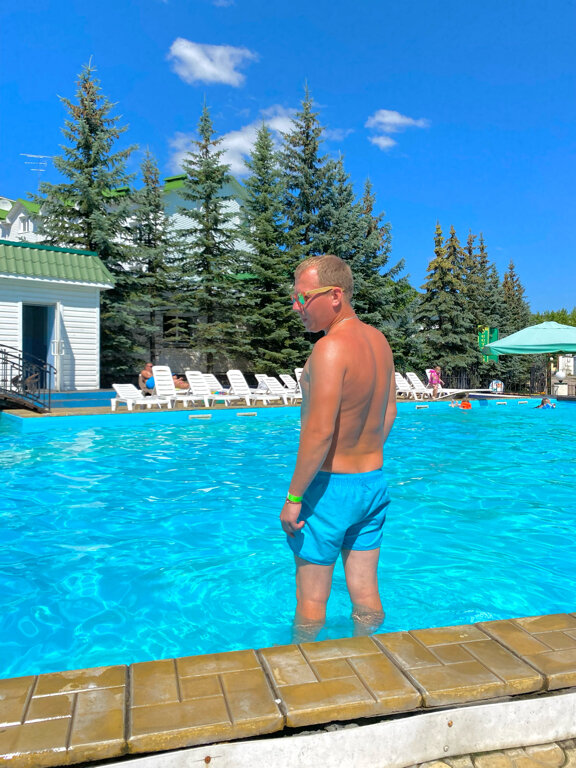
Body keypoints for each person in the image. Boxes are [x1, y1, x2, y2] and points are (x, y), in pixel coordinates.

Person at [280, 254, 396, 642]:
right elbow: (390, 412)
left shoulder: (329, 348)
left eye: (302, 297)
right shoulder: (379, 342)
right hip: (372, 484)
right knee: (366, 595)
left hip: (329, 490)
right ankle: (373, 660)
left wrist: (295, 497)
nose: (296, 306)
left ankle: (303, 671)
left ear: (334, 295)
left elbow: (318, 434)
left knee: (311, 603)